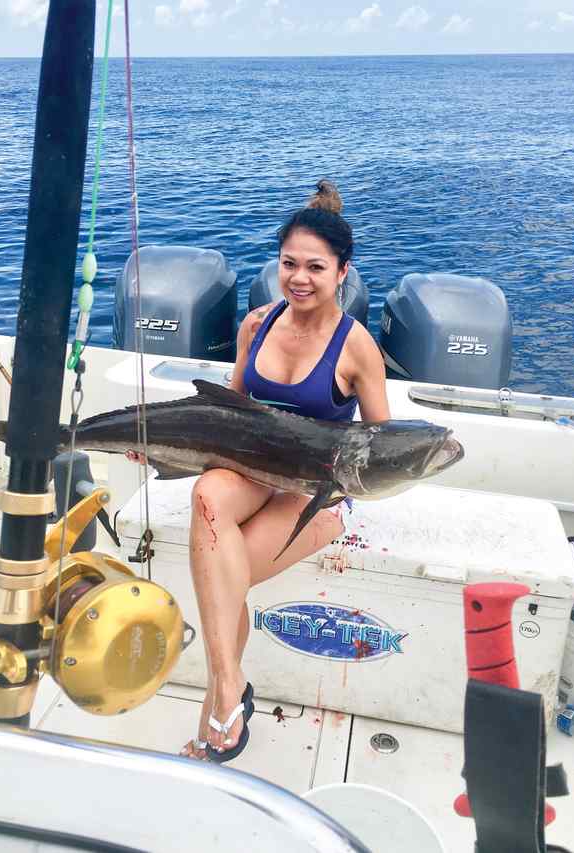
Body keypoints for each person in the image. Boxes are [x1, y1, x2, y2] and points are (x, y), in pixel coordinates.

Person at [177, 179, 391, 763]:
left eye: (315, 267)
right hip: (254, 467)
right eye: (289, 263)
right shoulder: (257, 325)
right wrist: (169, 445)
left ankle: (218, 710)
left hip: (318, 491)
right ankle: (230, 686)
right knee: (206, 491)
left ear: (341, 272)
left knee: (222, 574)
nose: (299, 277)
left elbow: (378, 442)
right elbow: (232, 403)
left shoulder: (357, 348)